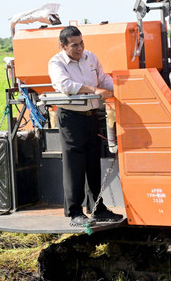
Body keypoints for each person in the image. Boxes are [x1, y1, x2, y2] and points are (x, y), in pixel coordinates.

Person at [48, 26, 123, 226]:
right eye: (74, 45)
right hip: (72, 119)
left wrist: (123, 87)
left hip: (91, 117)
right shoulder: (56, 63)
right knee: (75, 166)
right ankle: (75, 212)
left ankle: (98, 208)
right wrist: (93, 90)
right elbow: (64, 85)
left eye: (81, 43)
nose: (80, 48)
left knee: (93, 163)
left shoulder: (90, 58)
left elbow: (103, 79)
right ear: (63, 46)